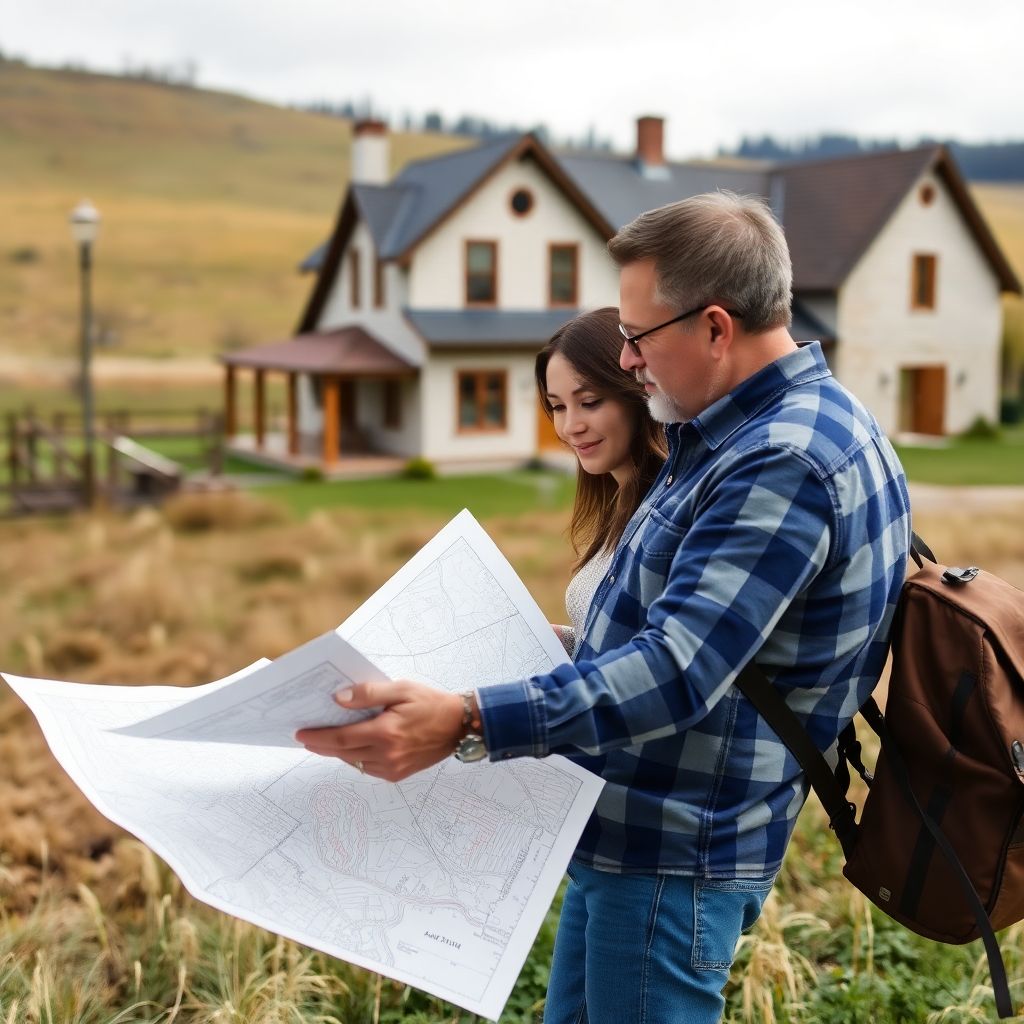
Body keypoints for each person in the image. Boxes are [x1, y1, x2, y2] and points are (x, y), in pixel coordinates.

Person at [296, 191, 913, 1023]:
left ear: (716, 327)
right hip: (628, 838)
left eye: (638, 335)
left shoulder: (782, 460)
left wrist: (469, 719)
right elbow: (675, 627)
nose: (626, 359)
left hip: (671, 858)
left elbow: (677, 671)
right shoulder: (744, 431)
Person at [536, 307, 666, 657]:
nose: (570, 427)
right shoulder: (622, 503)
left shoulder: (666, 514)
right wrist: (559, 641)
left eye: (589, 402)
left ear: (637, 394)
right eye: (558, 407)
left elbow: (657, 663)